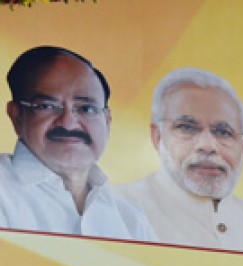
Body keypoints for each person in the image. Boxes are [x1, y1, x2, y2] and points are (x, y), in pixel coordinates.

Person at [115, 67, 243, 257]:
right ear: (157, 136)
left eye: (223, 132)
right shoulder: (116, 212)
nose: (207, 145)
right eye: (187, 128)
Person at [0, 46, 156, 240]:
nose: (68, 123)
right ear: (16, 115)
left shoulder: (131, 221)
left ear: (107, 120)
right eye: (47, 106)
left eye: (87, 109)